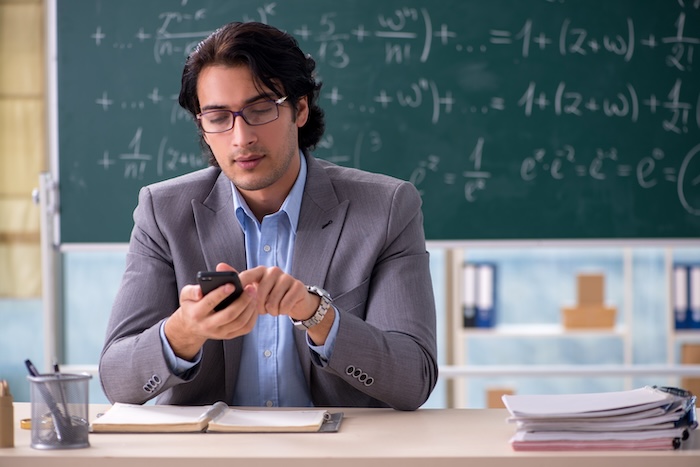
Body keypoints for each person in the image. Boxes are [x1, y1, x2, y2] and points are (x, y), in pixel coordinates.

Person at [99, 21, 438, 411]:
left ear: (300, 109)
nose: (241, 138)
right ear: (203, 127)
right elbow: (116, 381)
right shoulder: (163, 212)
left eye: (260, 109)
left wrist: (317, 314)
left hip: (334, 450)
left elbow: (413, 380)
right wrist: (184, 332)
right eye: (218, 118)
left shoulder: (387, 208)